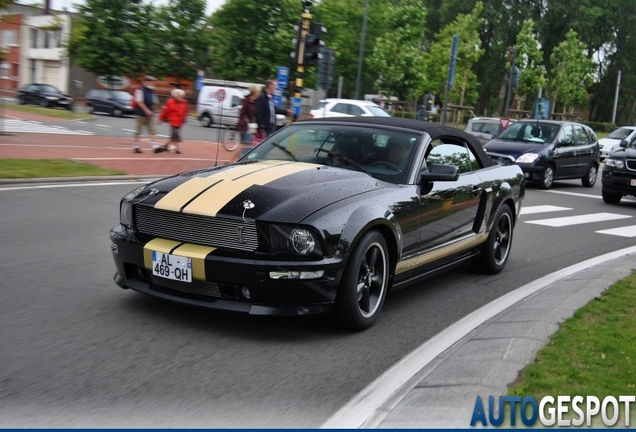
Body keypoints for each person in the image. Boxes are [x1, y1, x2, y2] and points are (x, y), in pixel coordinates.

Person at [132, 75, 160, 153]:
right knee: (138, 130)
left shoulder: (152, 90)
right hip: (141, 113)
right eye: (150, 81)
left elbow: (154, 102)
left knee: (152, 130)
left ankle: (155, 146)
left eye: (153, 82)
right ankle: (136, 146)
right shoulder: (140, 90)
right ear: (146, 81)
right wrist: (146, 110)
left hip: (150, 113)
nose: (152, 83)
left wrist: (153, 110)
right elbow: (139, 101)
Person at [156, 88, 189, 154]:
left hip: (180, 122)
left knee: (174, 136)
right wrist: (161, 118)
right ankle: (165, 147)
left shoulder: (184, 102)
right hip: (173, 121)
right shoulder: (170, 102)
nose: (180, 97)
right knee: (175, 136)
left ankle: (171, 148)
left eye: (182, 96)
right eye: (179, 95)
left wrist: (185, 118)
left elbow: (186, 111)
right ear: (175, 96)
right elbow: (165, 111)